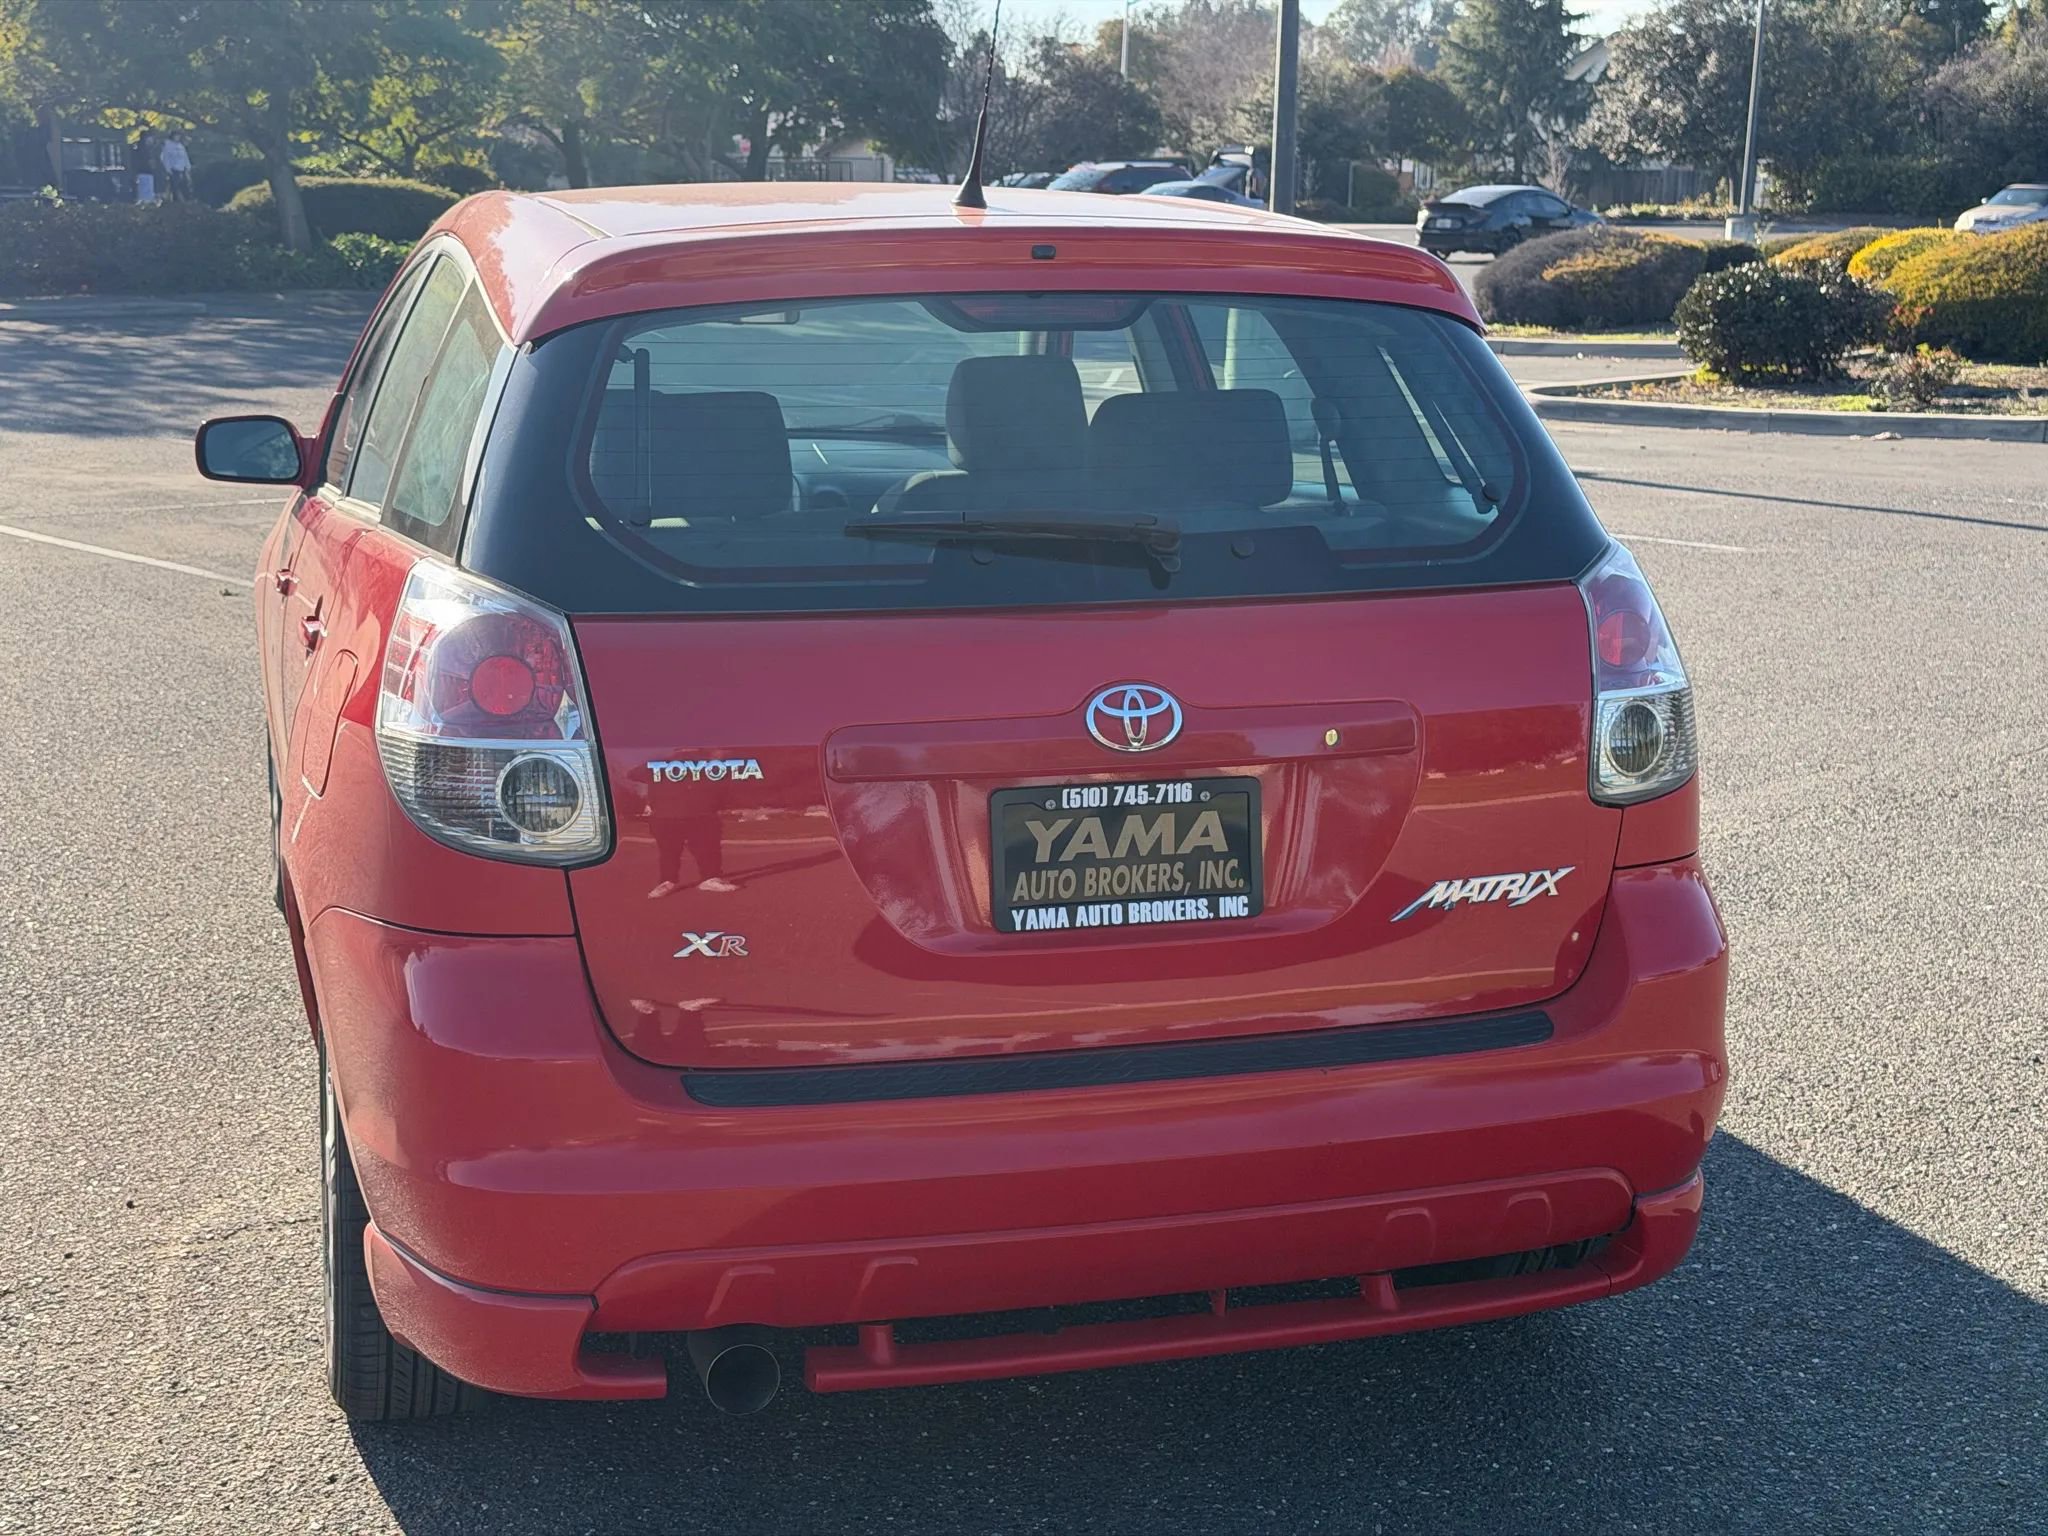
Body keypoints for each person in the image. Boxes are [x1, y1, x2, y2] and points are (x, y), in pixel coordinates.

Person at [160, 133, 192, 203]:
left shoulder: (180, 146)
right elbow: (166, 158)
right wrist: (168, 168)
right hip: (173, 169)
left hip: (182, 169)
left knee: (183, 185)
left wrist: (187, 166)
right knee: (175, 186)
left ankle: (184, 199)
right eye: (176, 136)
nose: (178, 137)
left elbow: (185, 157)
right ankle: (176, 200)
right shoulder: (168, 145)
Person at [130, 130, 158, 204]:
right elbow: (145, 159)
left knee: (144, 189)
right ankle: (146, 202)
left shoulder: (138, 147)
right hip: (144, 171)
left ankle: (145, 201)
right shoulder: (144, 148)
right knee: (146, 189)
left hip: (143, 171)